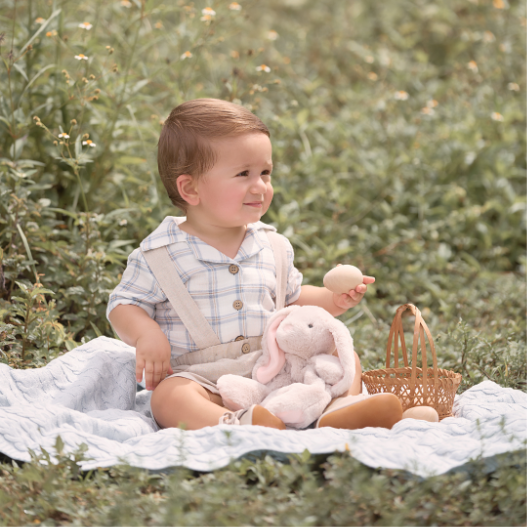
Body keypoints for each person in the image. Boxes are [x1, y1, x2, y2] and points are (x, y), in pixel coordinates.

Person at [107, 98, 402, 431]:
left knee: (337, 356)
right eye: (243, 174)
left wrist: (332, 300)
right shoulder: (161, 255)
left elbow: (290, 299)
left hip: (276, 368)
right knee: (169, 397)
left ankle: (340, 409)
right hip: (205, 380)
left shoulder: (272, 246)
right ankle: (235, 422)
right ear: (190, 188)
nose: (260, 186)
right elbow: (123, 304)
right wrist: (147, 334)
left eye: (265, 172)